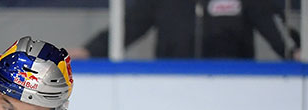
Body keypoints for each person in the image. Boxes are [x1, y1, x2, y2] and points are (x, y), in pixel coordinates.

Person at [70, 0, 299, 60]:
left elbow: (274, 27)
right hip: (172, 89)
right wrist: (90, 51)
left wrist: (295, 52)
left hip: (234, 92)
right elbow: (128, 28)